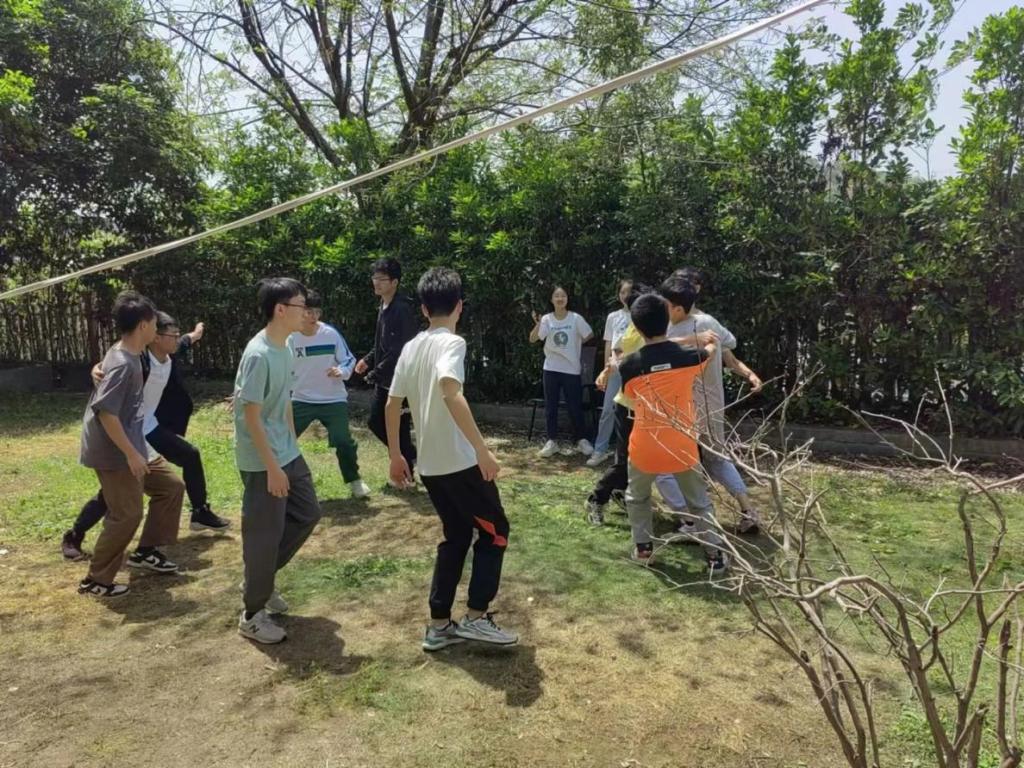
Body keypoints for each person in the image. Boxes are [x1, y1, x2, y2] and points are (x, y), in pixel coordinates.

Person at [387, 267, 518, 651]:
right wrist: (481, 450)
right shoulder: (453, 344)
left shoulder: (412, 347)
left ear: (424, 309)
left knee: (457, 535)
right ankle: (476, 617)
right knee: (495, 532)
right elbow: (450, 390)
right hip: (460, 465)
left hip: (430, 467)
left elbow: (392, 404)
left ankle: (439, 624)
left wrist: (396, 455)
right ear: (459, 306)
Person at [60, 313, 228, 561]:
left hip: (150, 426)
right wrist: (96, 368)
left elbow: (187, 340)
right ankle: (74, 535)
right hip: (129, 430)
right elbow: (111, 363)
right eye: (172, 335)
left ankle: (200, 511)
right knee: (116, 492)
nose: (177, 339)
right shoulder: (138, 359)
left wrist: (196, 333)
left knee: (189, 456)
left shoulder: (170, 353)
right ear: (155, 337)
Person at [77, 292, 185, 598]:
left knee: (171, 487)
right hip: (113, 450)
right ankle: (96, 580)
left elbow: (106, 371)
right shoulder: (125, 363)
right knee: (126, 514)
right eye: (154, 323)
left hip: (133, 444)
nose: (157, 328)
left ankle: (145, 551)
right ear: (143, 326)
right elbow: (106, 413)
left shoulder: (128, 351)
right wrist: (131, 455)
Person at [235, 278, 322, 644]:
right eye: (302, 306)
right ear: (281, 310)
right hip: (261, 460)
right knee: (263, 535)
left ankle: (261, 579)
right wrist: (272, 467)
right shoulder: (258, 355)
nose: (308, 313)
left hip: (286, 451)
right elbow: (250, 416)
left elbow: (283, 401)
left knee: (308, 512)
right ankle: (252, 615)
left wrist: (291, 448)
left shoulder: (285, 347)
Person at [619, 292, 728, 573]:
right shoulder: (690, 358)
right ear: (667, 319)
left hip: (645, 445)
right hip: (682, 444)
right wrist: (709, 342)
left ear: (637, 327)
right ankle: (714, 556)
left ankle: (643, 549)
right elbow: (709, 353)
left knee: (638, 497)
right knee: (699, 503)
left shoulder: (629, 365)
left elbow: (630, 396)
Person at [656, 270, 764, 536]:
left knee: (669, 463)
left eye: (666, 304)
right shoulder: (706, 322)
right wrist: (748, 373)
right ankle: (748, 511)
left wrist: (747, 373)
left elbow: (656, 348)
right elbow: (729, 344)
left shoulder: (684, 325)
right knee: (715, 458)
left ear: (677, 306)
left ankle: (692, 519)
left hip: (687, 404)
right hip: (710, 403)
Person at [290, 289, 371, 499]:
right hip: (300, 399)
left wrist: (341, 371)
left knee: (343, 441)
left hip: (332, 399)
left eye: (317, 312)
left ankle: (354, 481)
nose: (313, 316)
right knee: (284, 439)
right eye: (308, 311)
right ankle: (283, 482)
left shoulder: (330, 334)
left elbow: (348, 359)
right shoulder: (290, 336)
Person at [354, 257, 419, 487]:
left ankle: (407, 469)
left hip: (400, 379)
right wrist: (368, 360)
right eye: (375, 278)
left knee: (393, 427)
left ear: (395, 282)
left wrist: (375, 372)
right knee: (379, 423)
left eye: (382, 279)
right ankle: (409, 459)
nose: (376, 282)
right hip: (385, 379)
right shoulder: (383, 306)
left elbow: (401, 348)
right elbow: (382, 345)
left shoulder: (402, 309)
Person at [529, 286, 595, 458]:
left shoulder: (575, 318)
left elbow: (589, 334)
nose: (560, 299)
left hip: (571, 369)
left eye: (563, 295)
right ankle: (552, 441)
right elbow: (533, 339)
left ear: (567, 299)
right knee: (551, 407)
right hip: (551, 368)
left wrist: (575, 343)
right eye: (556, 296)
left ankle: (581, 440)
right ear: (551, 300)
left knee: (575, 406)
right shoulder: (546, 319)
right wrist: (538, 324)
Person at [588, 279, 634, 467]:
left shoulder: (641, 314)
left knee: (633, 411)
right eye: (622, 292)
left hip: (634, 369)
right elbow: (609, 343)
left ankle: (630, 453)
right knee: (608, 409)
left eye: (629, 292)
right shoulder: (613, 316)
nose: (626, 296)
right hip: (614, 369)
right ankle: (600, 449)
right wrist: (605, 368)